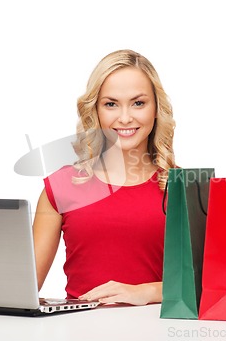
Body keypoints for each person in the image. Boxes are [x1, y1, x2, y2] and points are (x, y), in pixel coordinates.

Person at [33, 49, 176, 306]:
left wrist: (148, 292)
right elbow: (25, 288)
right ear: (95, 111)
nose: (124, 117)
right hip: (79, 330)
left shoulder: (183, 187)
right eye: (111, 104)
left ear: (156, 109)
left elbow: (208, 285)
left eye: (138, 103)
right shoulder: (61, 187)